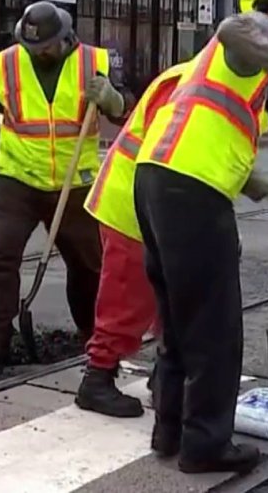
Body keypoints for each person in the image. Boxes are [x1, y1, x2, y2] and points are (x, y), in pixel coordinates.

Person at [133, 0, 268, 473]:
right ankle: (206, 445)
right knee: (214, 329)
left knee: (178, 320)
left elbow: (220, 146)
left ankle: (169, 432)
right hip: (189, 193)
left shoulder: (233, 73)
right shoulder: (258, 32)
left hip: (155, 180)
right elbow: (234, 28)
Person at [0, 1, 135, 363]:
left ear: (65, 38)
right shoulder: (7, 63)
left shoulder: (93, 63)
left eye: (44, 47)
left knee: (89, 265)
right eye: (31, 46)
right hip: (18, 179)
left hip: (75, 184)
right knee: (2, 257)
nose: (37, 53)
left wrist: (112, 99)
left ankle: (94, 336)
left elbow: (126, 108)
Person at [75, 60, 190, 418]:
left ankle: (165, 377)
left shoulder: (196, 76)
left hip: (160, 204)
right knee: (128, 299)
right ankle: (97, 378)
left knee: (173, 299)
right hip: (132, 205)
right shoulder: (194, 83)